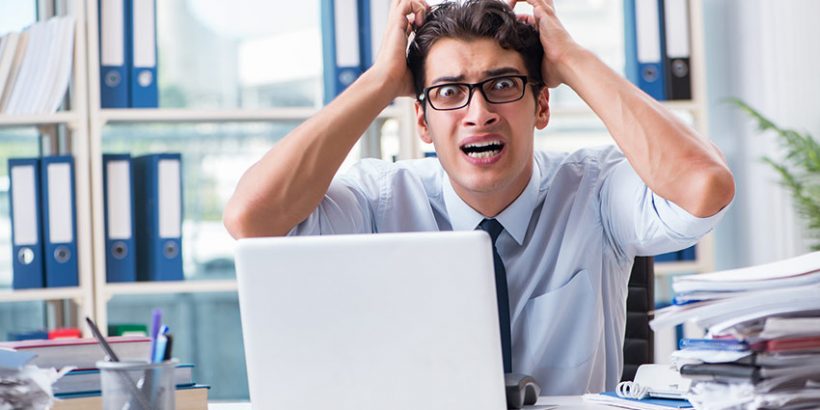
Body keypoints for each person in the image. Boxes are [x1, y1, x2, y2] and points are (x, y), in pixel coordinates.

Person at [223, 0, 734, 395]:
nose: (479, 113)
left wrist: (572, 60)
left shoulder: (595, 192)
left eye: (504, 85)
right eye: (449, 92)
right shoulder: (379, 202)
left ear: (541, 106)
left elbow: (704, 186)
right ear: (421, 121)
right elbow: (251, 219)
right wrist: (378, 84)